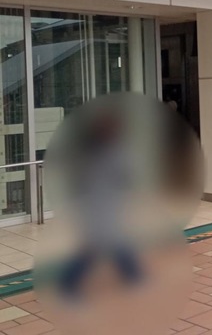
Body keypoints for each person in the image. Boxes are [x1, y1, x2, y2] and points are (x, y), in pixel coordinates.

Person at [57, 112, 144, 301]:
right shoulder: (110, 152)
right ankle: (67, 284)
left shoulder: (90, 151)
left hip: (99, 205)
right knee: (97, 247)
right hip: (101, 206)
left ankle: (133, 276)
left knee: (115, 242)